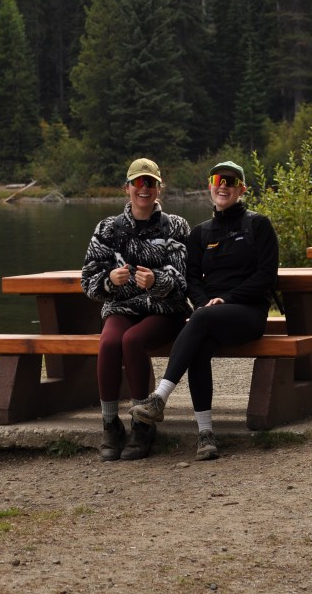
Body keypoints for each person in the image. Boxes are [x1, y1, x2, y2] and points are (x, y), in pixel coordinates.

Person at [131, 160, 279, 461]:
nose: (223, 185)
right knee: (198, 347)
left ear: (242, 189)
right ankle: (205, 434)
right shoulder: (200, 233)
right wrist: (202, 303)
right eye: (217, 180)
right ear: (209, 187)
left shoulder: (258, 225)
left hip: (248, 314)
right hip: (209, 316)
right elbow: (191, 278)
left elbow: (266, 276)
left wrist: (227, 299)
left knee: (200, 320)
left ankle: (159, 398)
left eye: (230, 181)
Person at [81, 157, 190, 462]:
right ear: (127, 188)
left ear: (159, 189)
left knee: (132, 340)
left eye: (150, 182)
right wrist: (109, 280)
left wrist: (157, 281)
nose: (144, 188)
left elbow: (186, 281)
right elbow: (87, 281)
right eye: (138, 182)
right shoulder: (107, 228)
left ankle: (142, 424)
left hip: (165, 309)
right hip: (122, 307)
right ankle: (110, 424)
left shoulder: (176, 226)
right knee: (109, 342)